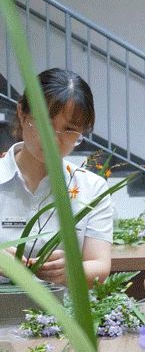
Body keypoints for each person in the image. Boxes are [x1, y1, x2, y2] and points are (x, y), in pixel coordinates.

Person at [0, 68, 112, 287]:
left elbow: (99, 265)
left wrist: (73, 270)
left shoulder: (92, 188)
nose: (53, 138)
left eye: (69, 129)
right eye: (44, 122)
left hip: (63, 307)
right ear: (22, 114)